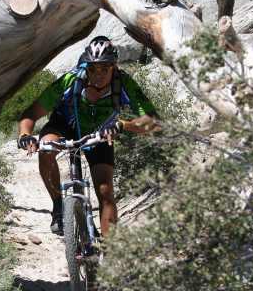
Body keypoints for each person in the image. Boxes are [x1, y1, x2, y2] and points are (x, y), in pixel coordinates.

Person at [17, 36, 159, 236]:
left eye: (104, 68)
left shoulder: (124, 83)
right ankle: (59, 206)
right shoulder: (71, 79)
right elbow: (31, 114)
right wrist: (25, 135)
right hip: (63, 125)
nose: (98, 74)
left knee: (105, 191)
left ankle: (110, 252)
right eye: (92, 68)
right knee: (46, 149)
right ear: (86, 66)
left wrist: (122, 125)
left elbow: (153, 122)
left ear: (114, 66)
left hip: (100, 132)